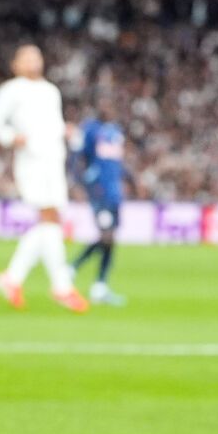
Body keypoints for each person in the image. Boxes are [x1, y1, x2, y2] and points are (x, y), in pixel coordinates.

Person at [0, 44, 88, 313]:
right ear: (15, 64)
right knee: (49, 217)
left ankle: (13, 278)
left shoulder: (50, 91)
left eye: (36, 57)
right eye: (26, 58)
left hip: (54, 159)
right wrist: (10, 137)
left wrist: (64, 130)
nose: (32, 62)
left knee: (51, 221)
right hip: (31, 160)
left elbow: (51, 123)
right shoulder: (10, 90)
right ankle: (61, 287)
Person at [72, 104, 129, 307]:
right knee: (107, 235)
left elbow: (117, 164)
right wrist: (79, 184)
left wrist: (130, 180)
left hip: (115, 194)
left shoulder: (116, 132)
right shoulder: (90, 129)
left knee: (109, 238)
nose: (110, 107)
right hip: (99, 191)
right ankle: (75, 271)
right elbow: (77, 158)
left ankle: (98, 286)